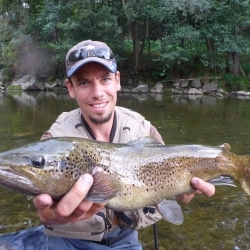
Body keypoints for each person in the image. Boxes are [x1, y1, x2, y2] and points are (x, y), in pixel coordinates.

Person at [0, 40, 215, 250]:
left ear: (117, 80)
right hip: (68, 239)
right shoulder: (54, 140)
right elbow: (44, 208)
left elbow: (173, 184)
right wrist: (51, 216)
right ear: (70, 87)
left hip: (125, 238)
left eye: (105, 79)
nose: (97, 92)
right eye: (83, 82)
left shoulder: (143, 129)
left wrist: (182, 192)